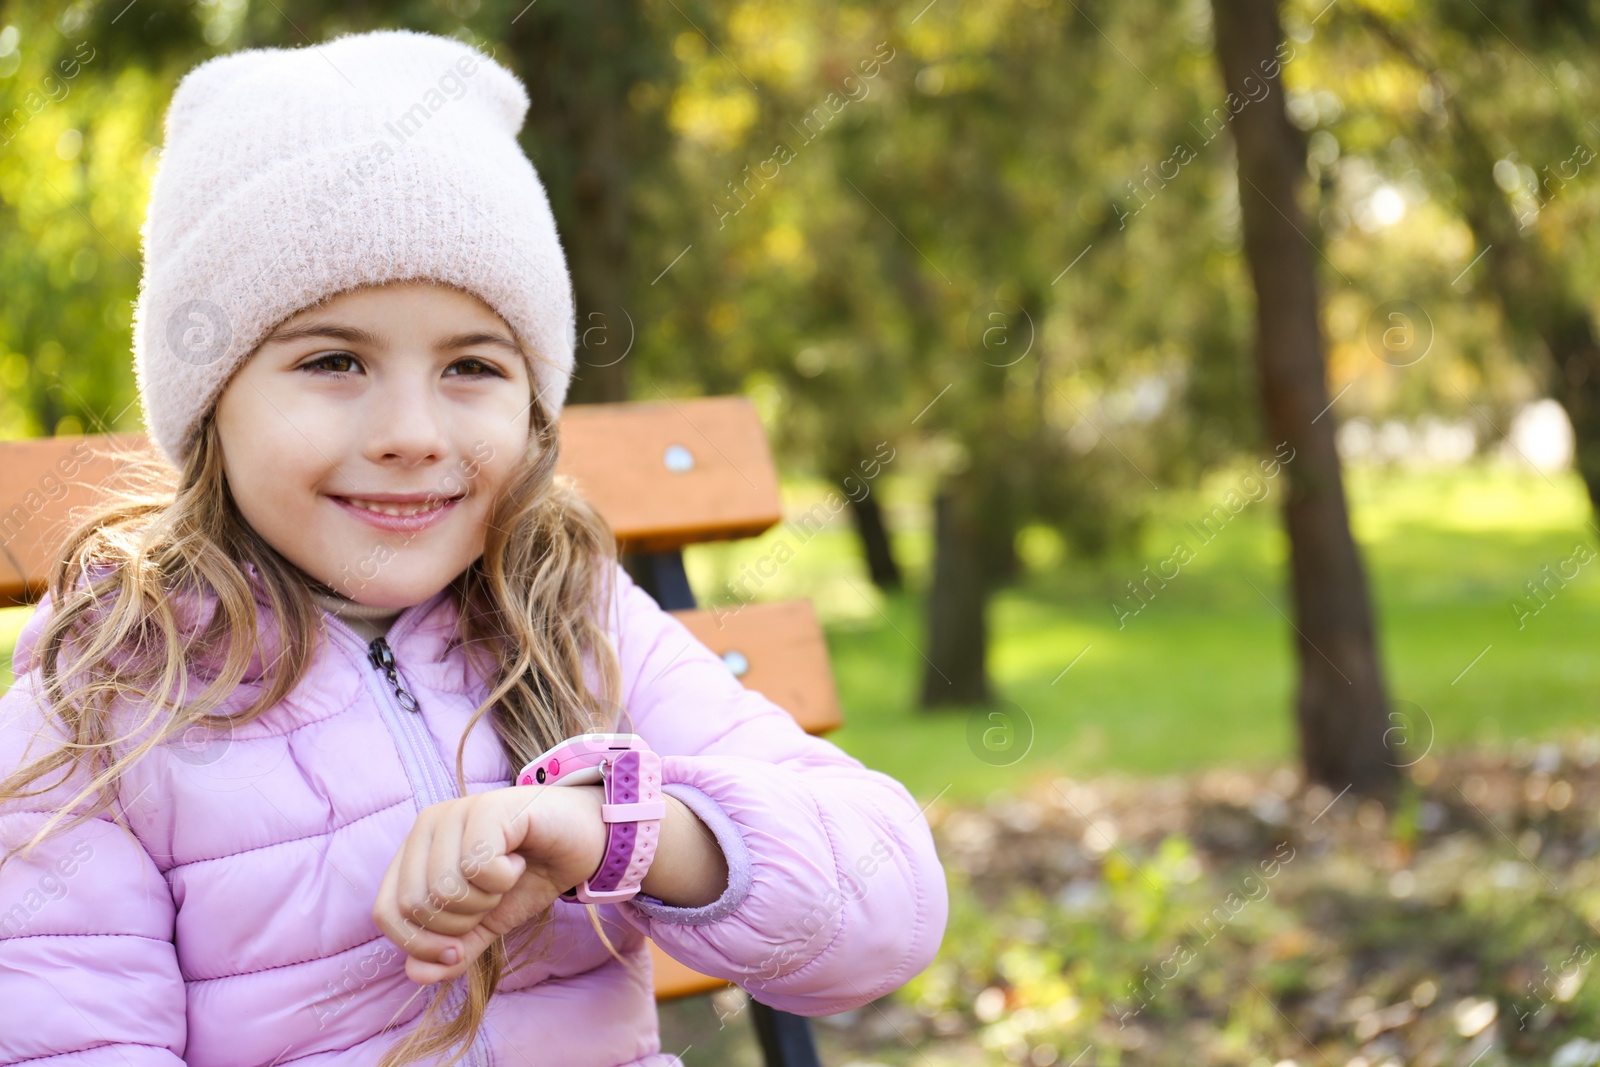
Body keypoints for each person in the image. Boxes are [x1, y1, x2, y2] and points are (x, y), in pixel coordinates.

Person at [0, 28, 947, 1067]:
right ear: (210, 404)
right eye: (332, 359)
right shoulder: (108, 684)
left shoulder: (565, 611)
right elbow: (63, 1033)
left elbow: (885, 900)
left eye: (472, 367)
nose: (414, 431)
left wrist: (612, 829)